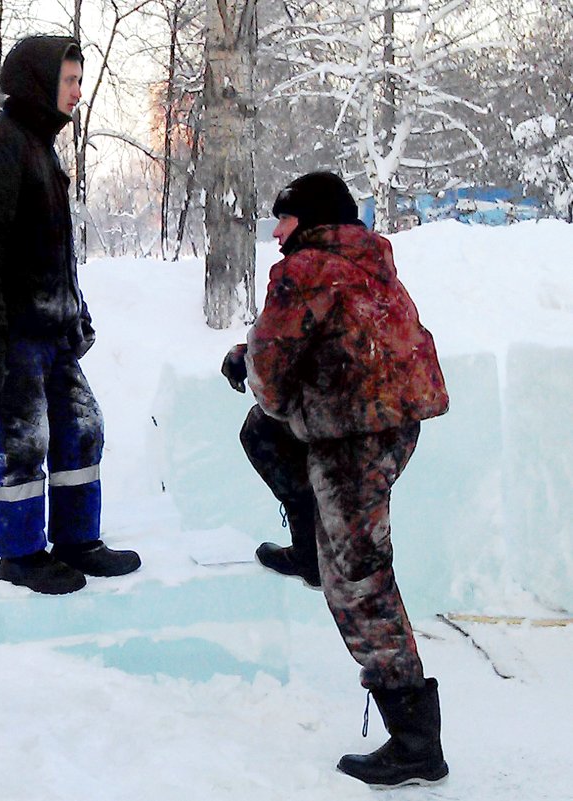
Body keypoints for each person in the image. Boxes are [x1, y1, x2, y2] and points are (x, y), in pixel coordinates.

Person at [220, 171, 450, 786]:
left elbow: (272, 377)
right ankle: (307, 551)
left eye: (284, 219)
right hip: (397, 421)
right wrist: (256, 361)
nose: (276, 231)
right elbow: (340, 332)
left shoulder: (306, 268)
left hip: (352, 434)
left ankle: (415, 739)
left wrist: (258, 373)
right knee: (264, 436)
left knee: (358, 574)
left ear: (312, 220)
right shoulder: (366, 259)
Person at [0, 35, 141, 595]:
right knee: (23, 441)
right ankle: (22, 552)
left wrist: (73, 314)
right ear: (39, 83)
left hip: (51, 332)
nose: (78, 93)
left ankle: (78, 540)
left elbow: (49, 250)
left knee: (82, 428)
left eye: (79, 81)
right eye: (70, 81)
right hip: (11, 335)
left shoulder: (38, 147)